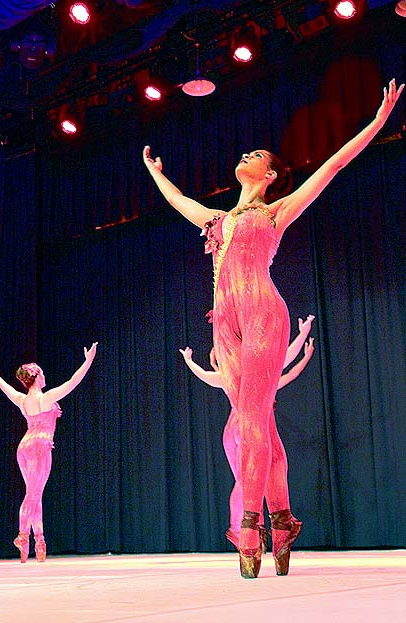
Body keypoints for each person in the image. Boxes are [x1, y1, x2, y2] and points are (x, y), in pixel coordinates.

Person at [143, 79, 404, 578]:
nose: (247, 154)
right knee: (258, 423)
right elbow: (178, 201)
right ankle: (282, 520)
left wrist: (377, 121)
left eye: (257, 155)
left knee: (251, 423)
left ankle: (251, 525)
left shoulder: (276, 211)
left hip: (263, 313)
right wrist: (155, 173)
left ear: (270, 175)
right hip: (224, 326)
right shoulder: (216, 219)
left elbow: (333, 166)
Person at [180, 315, 314, 569]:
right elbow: (285, 362)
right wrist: (302, 337)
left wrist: (190, 362)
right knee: (252, 481)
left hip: (236, 431)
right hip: (245, 430)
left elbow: (286, 365)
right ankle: (247, 533)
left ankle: (250, 534)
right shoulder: (248, 374)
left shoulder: (238, 375)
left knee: (248, 482)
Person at [0, 343, 98, 563]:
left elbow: (3, 385)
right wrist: (88, 360)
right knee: (33, 495)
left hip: (24, 447)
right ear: (37, 377)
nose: (44, 376)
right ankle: (23, 536)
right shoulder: (47, 398)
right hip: (40, 447)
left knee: (34, 493)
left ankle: (39, 540)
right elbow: (73, 382)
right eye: (41, 373)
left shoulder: (22, 400)